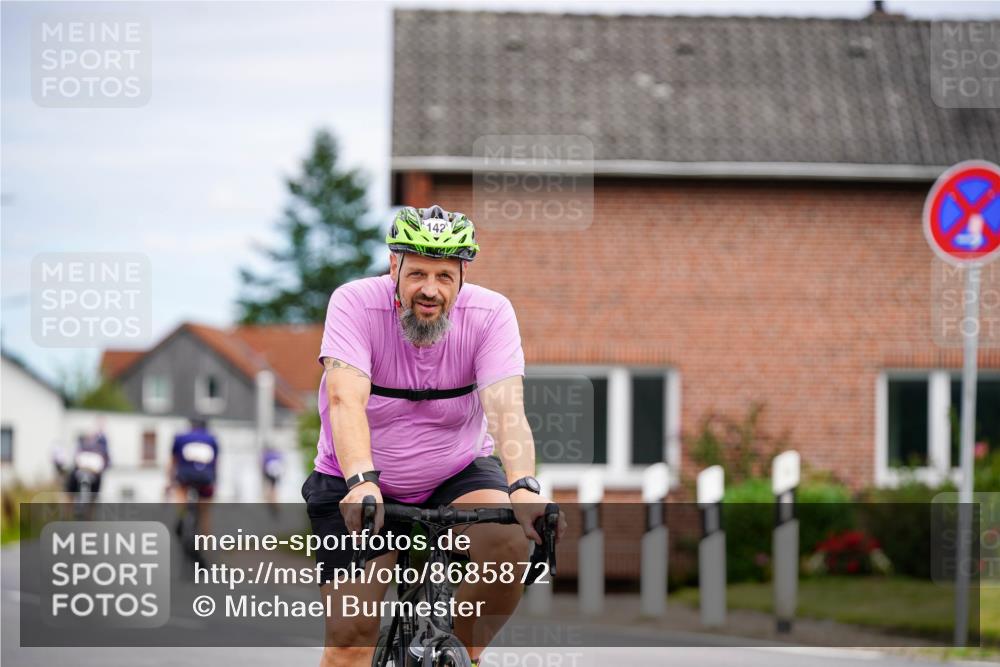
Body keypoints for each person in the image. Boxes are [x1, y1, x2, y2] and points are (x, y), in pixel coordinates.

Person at [301, 205, 566, 667]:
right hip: (359, 477)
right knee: (350, 639)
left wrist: (524, 485)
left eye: (445, 276)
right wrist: (361, 480)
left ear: (462, 275)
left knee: (507, 543)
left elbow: (506, 409)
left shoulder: (491, 314)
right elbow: (345, 400)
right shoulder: (354, 303)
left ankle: (463, 654)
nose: (430, 289)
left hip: (457, 469)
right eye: (418, 272)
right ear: (393, 266)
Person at [168, 418, 219, 531]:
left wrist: (170, 481)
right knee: (205, 511)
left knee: (181, 491)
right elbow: (216, 463)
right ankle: (205, 540)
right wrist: (215, 481)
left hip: (185, 474)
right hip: (206, 476)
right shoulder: (212, 439)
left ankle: (182, 514)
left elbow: (173, 461)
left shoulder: (181, 437)